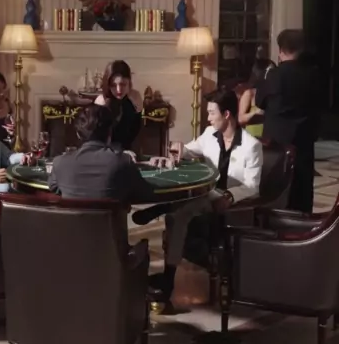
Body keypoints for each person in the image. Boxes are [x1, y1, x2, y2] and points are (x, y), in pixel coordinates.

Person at [133, 89, 263, 305]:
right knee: (186, 203)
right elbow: (190, 150)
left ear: (227, 114)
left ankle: (168, 276)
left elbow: (252, 186)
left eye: (212, 113)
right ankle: (164, 210)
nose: (208, 117)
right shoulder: (210, 134)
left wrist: (230, 196)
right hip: (207, 194)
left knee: (180, 214)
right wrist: (179, 148)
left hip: (227, 201)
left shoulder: (252, 146)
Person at [255, 28, 320, 213]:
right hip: (303, 139)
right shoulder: (313, 74)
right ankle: (302, 222)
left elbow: (260, 101)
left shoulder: (274, 74)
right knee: (302, 188)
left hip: (277, 142)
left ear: (281, 50)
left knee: (276, 189)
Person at [49, 104, 155, 204]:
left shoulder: (59, 163)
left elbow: (54, 187)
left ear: (78, 135)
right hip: (111, 218)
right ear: (110, 133)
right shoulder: (123, 161)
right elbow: (146, 193)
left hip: (71, 218)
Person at [94, 60, 143, 154]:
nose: (118, 90)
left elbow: (137, 131)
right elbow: (97, 140)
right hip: (106, 153)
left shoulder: (135, 97)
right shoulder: (101, 101)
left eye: (123, 84)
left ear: (129, 82)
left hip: (129, 151)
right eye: (113, 85)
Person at [238, 58, 276, 137]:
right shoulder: (250, 93)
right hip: (253, 138)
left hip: (270, 137)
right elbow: (240, 119)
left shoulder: (275, 92)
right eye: (269, 71)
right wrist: (255, 113)